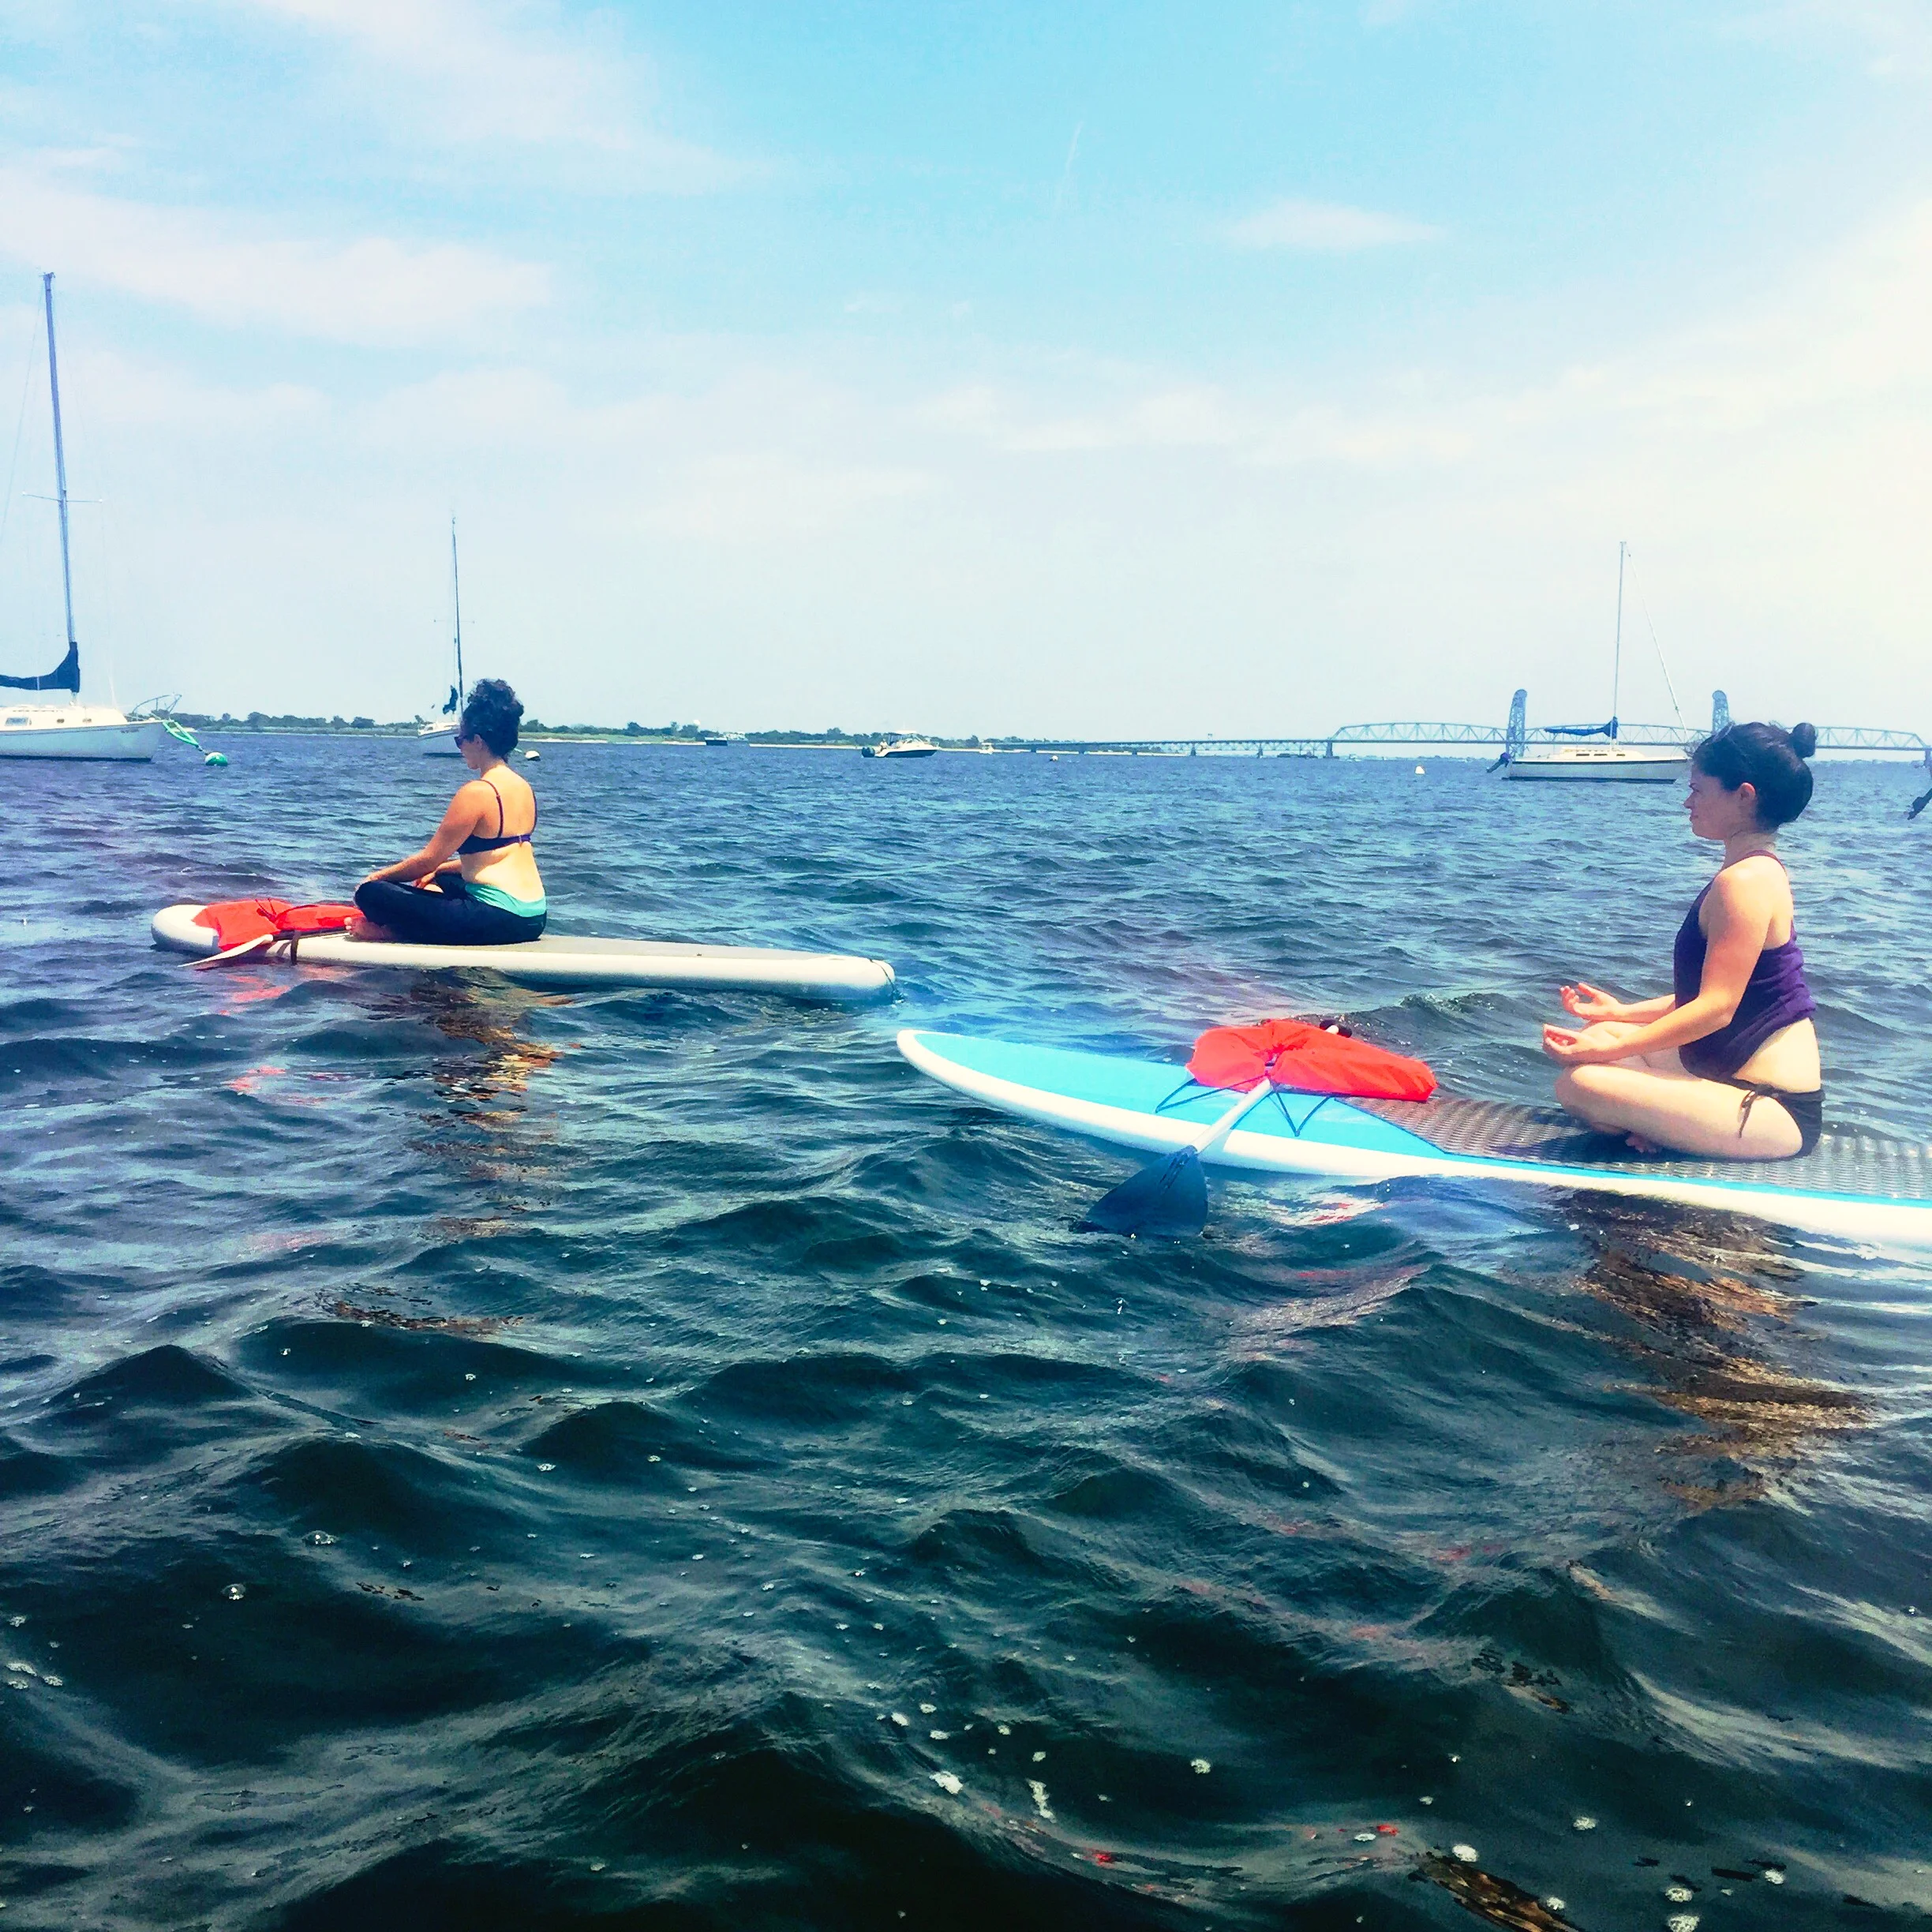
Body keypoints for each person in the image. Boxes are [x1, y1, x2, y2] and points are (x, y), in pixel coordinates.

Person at [1541, 721, 1822, 1159]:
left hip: (1772, 1107)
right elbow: (1732, 996)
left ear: (1744, 796)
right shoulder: (1752, 871)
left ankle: (1661, 1125)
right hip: (1733, 1082)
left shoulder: (1744, 883)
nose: (1687, 802)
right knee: (1602, 1033)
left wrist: (1615, 1048)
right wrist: (1619, 1015)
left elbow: (1717, 1008)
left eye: (1698, 790)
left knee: (1580, 1083)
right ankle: (1664, 1124)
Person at [352, 680, 547, 945]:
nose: (460, 747)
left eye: (460, 740)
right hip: (534, 918)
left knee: (371, 894)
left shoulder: (478, 792)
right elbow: (497, 857)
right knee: (441, 876)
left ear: (477, 741)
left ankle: (395, 933)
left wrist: (375, 878)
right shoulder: (524, 788)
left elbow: (427, 860)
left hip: (499, 920)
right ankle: (424, 923)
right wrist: (440, 870)